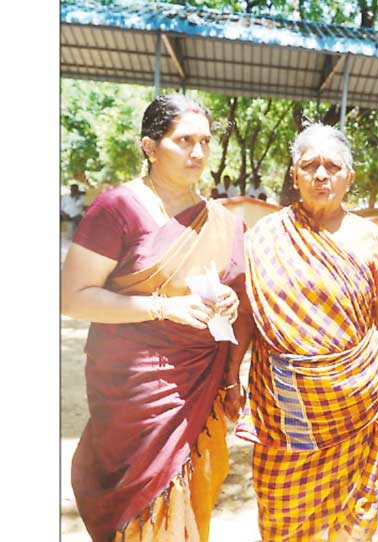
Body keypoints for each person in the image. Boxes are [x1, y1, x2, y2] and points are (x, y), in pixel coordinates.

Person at [61, 94, 250, 542]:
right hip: (135, 390)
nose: (199, 152)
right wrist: (164, 307)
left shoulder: (221, 221)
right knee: (141, 501)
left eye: (205, 141)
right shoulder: (116, 210)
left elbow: (230, 289)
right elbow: (72, 298)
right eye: (184, 140)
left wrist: (227, 301)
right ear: (149, 145)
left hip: (197, 382)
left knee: (192, 497)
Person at [232, 123, 378, 541]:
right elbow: (247, 314)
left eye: (332, 166)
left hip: (357, 403)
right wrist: (229, 378)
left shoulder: (369, 238)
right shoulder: (265, 237)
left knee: (352, 519)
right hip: (282, 410)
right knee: (282, 510)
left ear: (349, 177)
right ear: (294, 175)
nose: (321, 174)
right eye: (309, 165)